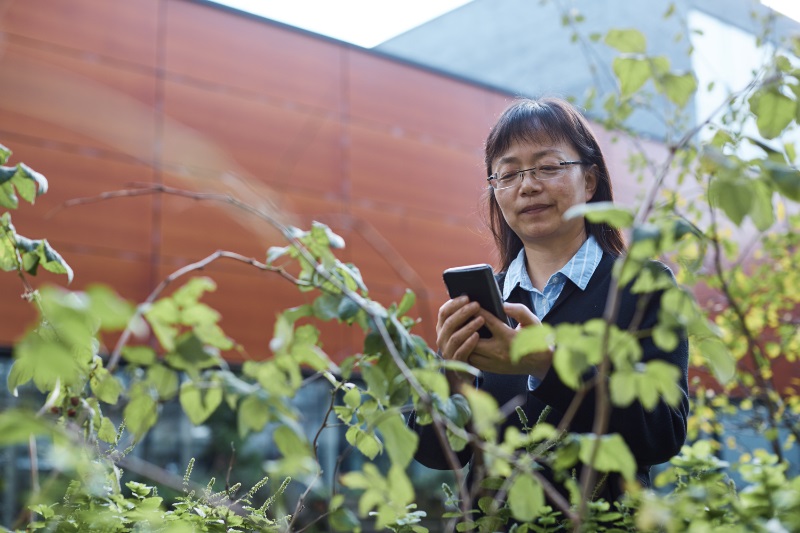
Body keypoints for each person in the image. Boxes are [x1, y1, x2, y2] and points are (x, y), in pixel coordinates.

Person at [412, 97, 689, 502]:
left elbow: (662, 433)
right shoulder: (487, 303)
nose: (528, 185)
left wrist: (548, 365)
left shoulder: (643, 287)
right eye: (507, 174)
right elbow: (438, 455)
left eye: (548, 167)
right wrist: (450, 379)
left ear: (590, 181)